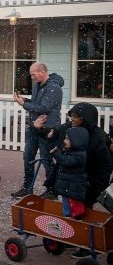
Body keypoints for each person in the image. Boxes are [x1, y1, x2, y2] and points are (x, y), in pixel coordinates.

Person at [34, 103, 113, 257]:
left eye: (76, 117)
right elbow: (52, 133)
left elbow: (106, 165)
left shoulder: (99, 138)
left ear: (86, 119)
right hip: (71, 180)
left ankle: (86, 246)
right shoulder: (68, 127)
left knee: (85, 212)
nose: (73, 119)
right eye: (72, 116)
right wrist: (39, 128)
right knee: (71, 212)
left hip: (89, 182)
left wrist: (95, 183)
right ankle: (72, 239)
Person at [11, 62, 64, 199]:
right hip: (34, 127)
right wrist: (25, 100)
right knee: (28, 157)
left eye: (33, 74)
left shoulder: (54, 87)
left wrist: (24, 104)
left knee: (46, 159)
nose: (32, 77)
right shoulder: (38, 86)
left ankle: (51, 190)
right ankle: (27, 188)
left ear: (42, 71)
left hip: (47, 128)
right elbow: (37, 104)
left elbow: (45, 108)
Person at [50, 126, 88, 218]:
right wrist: (51, 140)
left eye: (67, 139)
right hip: (68, 187)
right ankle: (68, 219)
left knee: (74, 207)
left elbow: (66, 161)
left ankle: (75, 222)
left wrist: (56, 154)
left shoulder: (79, 155)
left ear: (76, 141)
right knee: (67, 204)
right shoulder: (71, 151)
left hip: (73, 187)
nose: (64, 141)